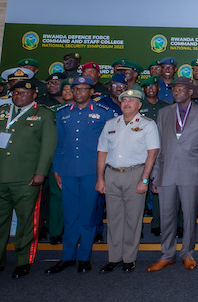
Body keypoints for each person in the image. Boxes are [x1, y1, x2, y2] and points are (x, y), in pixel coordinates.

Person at [47, 76, 116, 275]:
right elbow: (59, 145)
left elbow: (110, 144)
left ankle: (84, 257)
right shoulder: (63, 113)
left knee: (87, 216)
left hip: (91, 171)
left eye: (83, 89)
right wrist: (56, 169)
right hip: (68, 171)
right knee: (70, 216)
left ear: (92, 92)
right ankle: (67, 256)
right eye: (75, 89)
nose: (79, 93)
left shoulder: (104, 112)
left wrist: (104, 173)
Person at [147, 77, 198, 272]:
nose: (176, 92)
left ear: (190, 92)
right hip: (166, 172)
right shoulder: (164, 112)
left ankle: (187, 253)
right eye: (174, 89)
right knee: (166, 216)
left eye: (181, 89)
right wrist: (155, 174)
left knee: (190, 216)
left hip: (192, 172)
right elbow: (158, 145)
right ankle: (167, 254)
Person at [95, 89, 159, 274]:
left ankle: (129, 259)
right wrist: (100, 178)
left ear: (139, 105)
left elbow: (152, 153)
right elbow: (102, 152)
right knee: (113, 219)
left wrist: (144, 180)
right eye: (124, 100)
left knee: (132, 219)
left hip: (135, 174)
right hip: (112, 174)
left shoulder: (148, 124)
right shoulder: (110, 124)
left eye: (132, 100)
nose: (127, 103)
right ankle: (114, 258)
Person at [0, 80, 57, 278]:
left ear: (34, 95)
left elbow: (48, 146)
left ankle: (23, 261)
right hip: (2, 175)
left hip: (27, 178)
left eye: (24, 93)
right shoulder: (3, 111)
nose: (19, 96)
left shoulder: (44, 114)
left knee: (26, 222)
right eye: (16, 93)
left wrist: (41, 172)